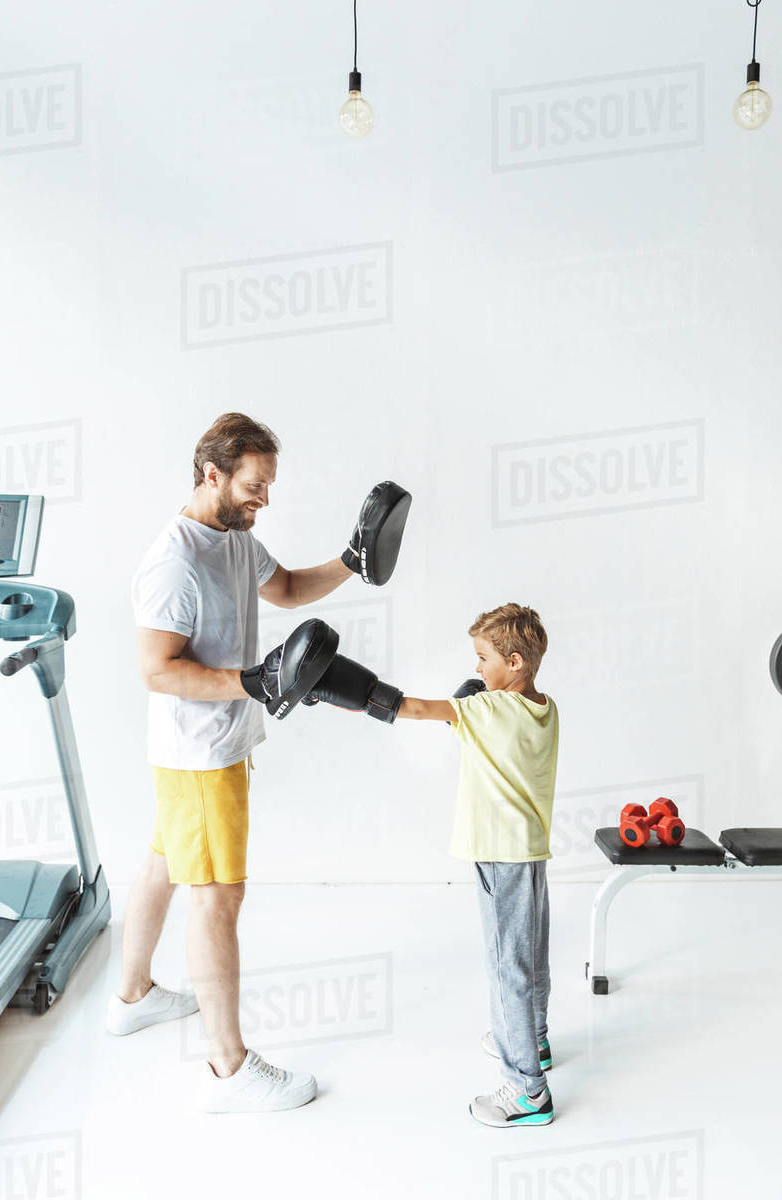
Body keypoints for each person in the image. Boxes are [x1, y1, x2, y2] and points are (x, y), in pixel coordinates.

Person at [105, 411, 410, 1114]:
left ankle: (132, 996)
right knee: (218, 896)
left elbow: (290, 589)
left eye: (268, 485)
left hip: (213, 744)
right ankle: (228, 1067)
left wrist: (351, 561)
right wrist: (252, 684)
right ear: (211, 473)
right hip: (199, 753)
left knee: (163, 861)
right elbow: (157, 670)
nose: (264, 498)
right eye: (253, 484)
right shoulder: (173, 560)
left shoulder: (236, 538)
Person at [275, 602, 559, 1126]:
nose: (477, 669)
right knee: (531, 957)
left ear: (514, 662)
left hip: (499, 855)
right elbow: (474, 720)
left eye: (483, 659)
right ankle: (533, 1043)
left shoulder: (488, 711)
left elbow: (410, 709)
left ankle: (527, 1092)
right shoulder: (544, 708)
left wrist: (333, 684)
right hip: (530, 851)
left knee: (508, 967)